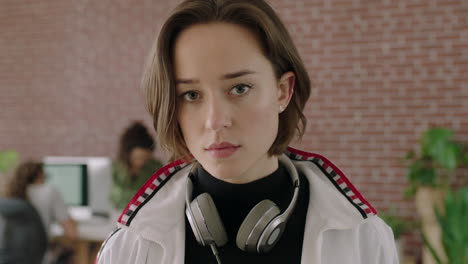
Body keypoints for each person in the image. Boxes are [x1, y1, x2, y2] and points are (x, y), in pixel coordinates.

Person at [97, 0, 399, 263]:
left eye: (239, 88)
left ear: (283, 91)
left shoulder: (362, 238)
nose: (215, 121)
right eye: (190, 95)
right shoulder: (130, 246)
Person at [3, 161, 76, 263]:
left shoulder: (9, 195)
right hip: (40, 258)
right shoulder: (50, 191)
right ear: (40, 175)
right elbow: (71, 233)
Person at [109, 121, 163, 211]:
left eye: (145, 158)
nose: (141, 162)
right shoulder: (115, 169)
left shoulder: (155, 167)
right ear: (127, 154)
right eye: (138, 158)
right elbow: (115, 199)